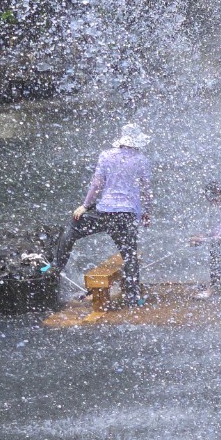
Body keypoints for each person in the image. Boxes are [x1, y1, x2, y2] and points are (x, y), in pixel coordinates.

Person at [48, 123, 153, 305]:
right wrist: (147, 212)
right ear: (137, 142)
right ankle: (133, 296)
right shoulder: (141, 160)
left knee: (72, 229)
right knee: (129, 254)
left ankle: (57, 267)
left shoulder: (106, 155)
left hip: (105, 211)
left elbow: (97, 184)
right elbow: (146, 190)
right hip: (127, 214)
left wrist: (85, 206)